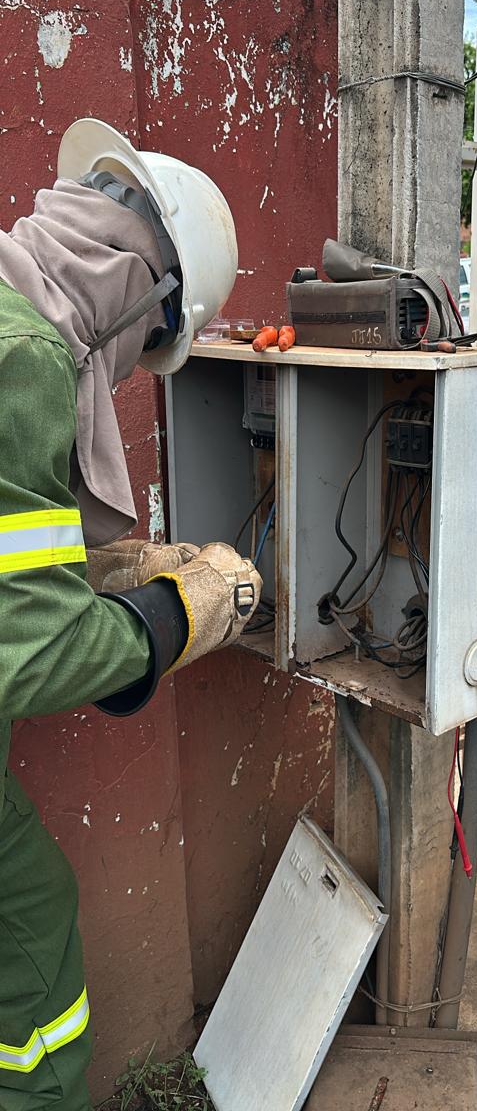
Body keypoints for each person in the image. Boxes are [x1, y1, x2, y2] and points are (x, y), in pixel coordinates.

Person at [0, 119, 262, 1111]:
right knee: (31, 975)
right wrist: (179, 611)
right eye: (147, 349)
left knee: (31, 898)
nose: (121, 374)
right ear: (137, 297)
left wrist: (97, 566)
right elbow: (23, 654)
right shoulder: (25, 352)